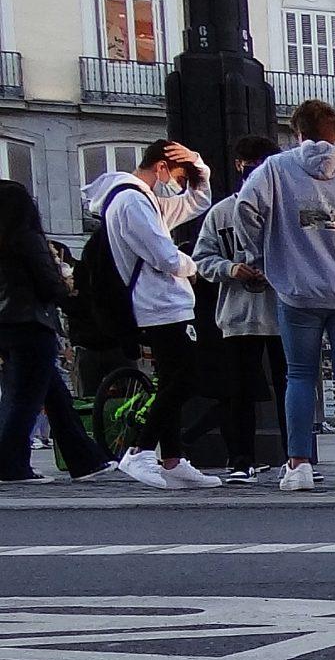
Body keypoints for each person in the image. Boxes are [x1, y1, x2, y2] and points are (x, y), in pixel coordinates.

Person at [235, 101, 335, 492]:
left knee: (300, 377)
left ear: (297, 132)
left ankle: (299, 463)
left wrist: (261, 255)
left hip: (298, 290)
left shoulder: (275, 170)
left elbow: (244, 209)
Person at [87, 141, 222, 489]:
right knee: (186, 378)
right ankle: (140, 450)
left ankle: (173, 457)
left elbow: (196, 202)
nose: (176, 185)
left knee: (174, 378)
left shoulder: (138, 198)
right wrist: (193, 266)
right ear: (161, 167)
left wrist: (197, 166)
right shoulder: (132, 200)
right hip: (160, 304)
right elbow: (165, 257)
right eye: (176, 177)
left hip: (160, 303)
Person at [0, 180, 113, 482]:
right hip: (32, 324)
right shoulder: (25, 237)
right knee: (25, 399)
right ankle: (11, 465)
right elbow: (47, 283)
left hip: (7, 325)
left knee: (55, 397)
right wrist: (68, 290)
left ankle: (85, 460)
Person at [189, 136, 287, 482]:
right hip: (238, 314)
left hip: (281, 314)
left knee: (289, 386)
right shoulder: (221, 214)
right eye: (248, 163)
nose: (253, 170)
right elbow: (202, 259)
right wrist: (232, 269)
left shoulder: (285, 210)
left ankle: (295, 456)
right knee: (238, 393)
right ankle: (241, 458)